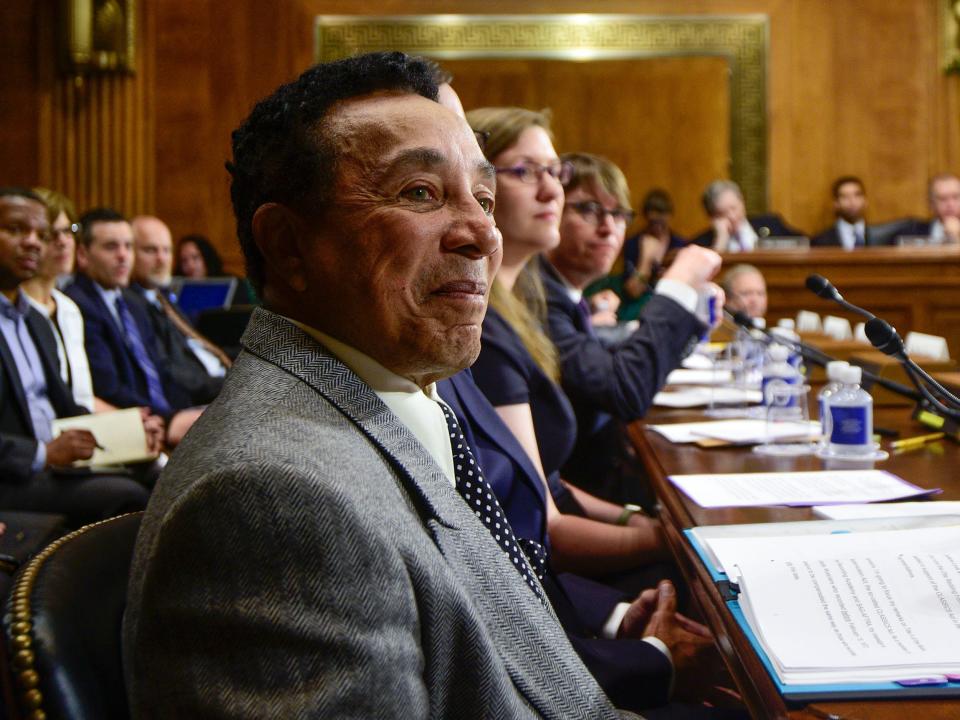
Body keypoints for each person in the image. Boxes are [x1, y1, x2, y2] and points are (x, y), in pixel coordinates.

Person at [124, 52, 642, 718]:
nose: (482, 233)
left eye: (483, 198)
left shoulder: (396, 396)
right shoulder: (272, 500)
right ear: (288, 246)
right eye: (420, 192)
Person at [540, 150, 722, 499]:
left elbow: (612, 358)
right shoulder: (538, 299)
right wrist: (675, 287)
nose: (609, 228)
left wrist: (693, 321)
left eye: (619, 214)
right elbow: (625, 388)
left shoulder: (568, 297)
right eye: (590, 210)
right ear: (551, 209)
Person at [0, 188, 155, 525]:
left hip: (54, 462)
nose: (32, 243)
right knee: (127, 495)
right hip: (13, 473)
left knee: (161, 472)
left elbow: (69, 410)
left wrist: (129, 433)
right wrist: (43, 453)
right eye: (15, 230)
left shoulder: (34, 322)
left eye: (40, 234)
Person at [65, 208, 202, 443]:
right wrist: (169, 419)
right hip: (128, 425)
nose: (123, 256)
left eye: (128, 246)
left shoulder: (133, 301)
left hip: (162, 416)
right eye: (111, 247)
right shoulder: (76, 304)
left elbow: (160, 371)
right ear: (83, 254)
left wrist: (187, 410)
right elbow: (108, 387)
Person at [130, 215, 229, 406]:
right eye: (151, 250)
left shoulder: (163, 296)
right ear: (130, 252)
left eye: (167, 250)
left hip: (217, 380)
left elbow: (195, 345)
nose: (161, 259)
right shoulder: (133, 305)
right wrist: (228, 384)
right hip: (202, 396)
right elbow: (172, 371)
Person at [20, 188, 96, 410]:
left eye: (68, 230)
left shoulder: (69, 308)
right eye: (51, 234)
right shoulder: (14, 309)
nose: (63, 242)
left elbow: (83, 396)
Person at [691, 179, 802, 252]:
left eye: (734, 208)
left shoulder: (772, 224)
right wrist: (720, 241)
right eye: (722, 213)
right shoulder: (701, 244)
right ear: (712, 217)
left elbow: (804, 243)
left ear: (742, 202)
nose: (732, 216)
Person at [812, 176, 885, 249]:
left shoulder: (882, 237)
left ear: (865, 200)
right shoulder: (820, 241)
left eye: (857, 195)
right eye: (845, 197)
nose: (852, 201)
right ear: (836, 203)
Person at [901, 173, 960, 244]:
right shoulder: (913, 232)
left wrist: (956, 237)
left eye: (956, 197)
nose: (950, 204)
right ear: (932, 204)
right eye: (943, 199)